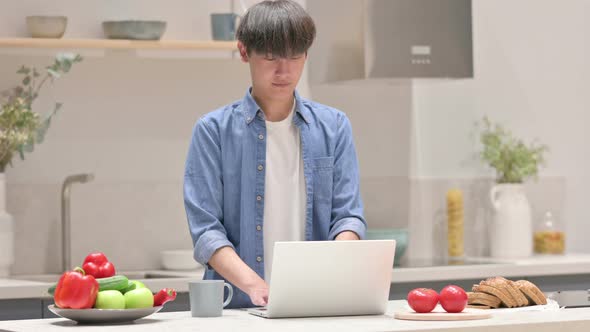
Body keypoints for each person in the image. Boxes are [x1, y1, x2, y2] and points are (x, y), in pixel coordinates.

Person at [184, 0, 366, 309]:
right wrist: (254, 285)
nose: (284, 70)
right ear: (244, 52)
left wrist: (334, 264)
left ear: (306, 54)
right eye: (271, 57)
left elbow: (348, 216)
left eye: (295, 56)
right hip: (237, 308)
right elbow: (206, 231)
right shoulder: (212, 131)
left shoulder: (334, 127)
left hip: (317, 305)